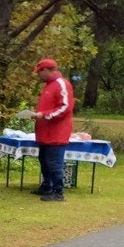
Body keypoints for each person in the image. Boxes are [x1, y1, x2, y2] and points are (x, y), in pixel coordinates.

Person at [31, 58, 75, 202]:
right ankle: (46, 186)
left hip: (56, 133)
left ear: (46, 70)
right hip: (45, 132)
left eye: (39, 72)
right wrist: (37, 114)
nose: (38, 75)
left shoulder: (61, 84)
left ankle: (58, 191)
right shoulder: (48, 85)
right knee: (44, 160)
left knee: (54, 163)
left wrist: (44, 115)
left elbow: (65, 107)